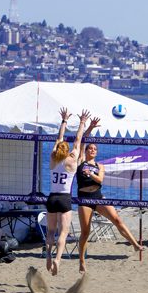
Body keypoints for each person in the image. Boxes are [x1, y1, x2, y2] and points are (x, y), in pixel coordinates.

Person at [76, 126, 143, 274]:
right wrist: (90, 127)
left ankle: (135, 244)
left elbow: (100, 180)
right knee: (85, 232)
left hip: (98, 196)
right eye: (90, 148)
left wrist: (90, 174)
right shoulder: (80, 161)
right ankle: (81, 261)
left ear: (96, 152)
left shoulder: (100, 166)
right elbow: (81, 140)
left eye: (94, 149)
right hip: (84, 198)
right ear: (86, 151)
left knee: (117, 219)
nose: (92, 150)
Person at [45, 107, 90, 276]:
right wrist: (82, 122)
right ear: (67, 150)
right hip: (65, 198)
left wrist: (64, 120)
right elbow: (78, 139)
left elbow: (59, 138)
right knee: (63, 232)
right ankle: (57, 259)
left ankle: (48, 254)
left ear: (58, 149)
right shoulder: (72, 160)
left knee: (50, 231)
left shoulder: (52, 158)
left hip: (52, 197)